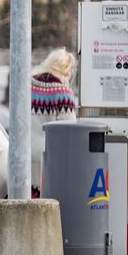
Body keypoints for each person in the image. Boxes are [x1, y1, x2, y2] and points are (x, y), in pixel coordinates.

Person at [30, 47, 76, 197]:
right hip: (47, 157)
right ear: (66, 71)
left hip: (21, 153)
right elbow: (69, 131)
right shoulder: (63, 94)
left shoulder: (26, 86)